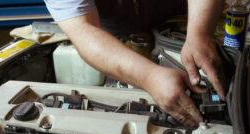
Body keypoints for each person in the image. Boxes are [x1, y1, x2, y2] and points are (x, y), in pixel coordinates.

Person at [44, 0, 226, 127]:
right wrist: (149, 77)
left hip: (185, 16)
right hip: (111, 37)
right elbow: (84, 30)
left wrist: (200, 33)